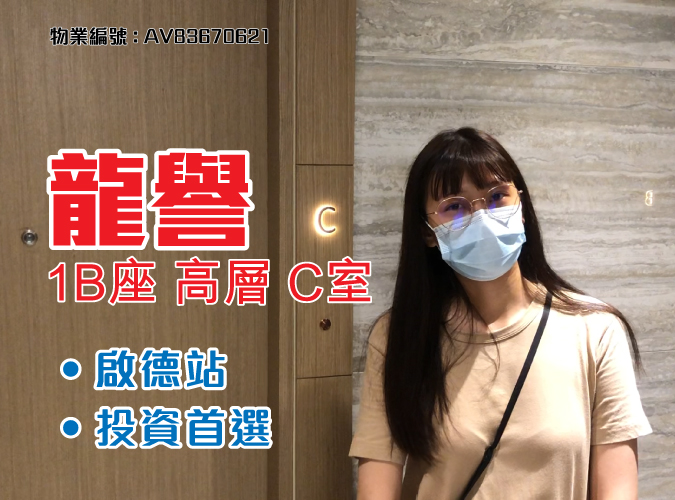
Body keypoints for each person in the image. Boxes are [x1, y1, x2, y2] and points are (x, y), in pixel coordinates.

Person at [348, 127, 652, 500]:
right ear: (427, 232)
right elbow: (377, 489)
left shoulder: (596, 332)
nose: (481, 216)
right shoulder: (400, 336)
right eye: (454, 206)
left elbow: (617, 490)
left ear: (520, 206)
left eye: (496, 197)